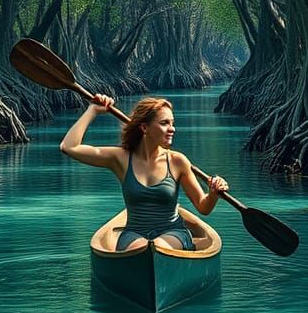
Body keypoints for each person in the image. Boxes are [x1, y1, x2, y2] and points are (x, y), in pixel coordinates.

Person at [60, 94, 229, 252]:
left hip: (173, 232)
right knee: (140, 248)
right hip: (134, 233)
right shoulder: (120, 158)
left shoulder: (178, 161)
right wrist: (93, 110)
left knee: (158, 246)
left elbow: (203, 207)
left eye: (172, 123)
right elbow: (68, 147)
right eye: (164, 123)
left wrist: (213, 193)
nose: (172, 129)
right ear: (144, 127)